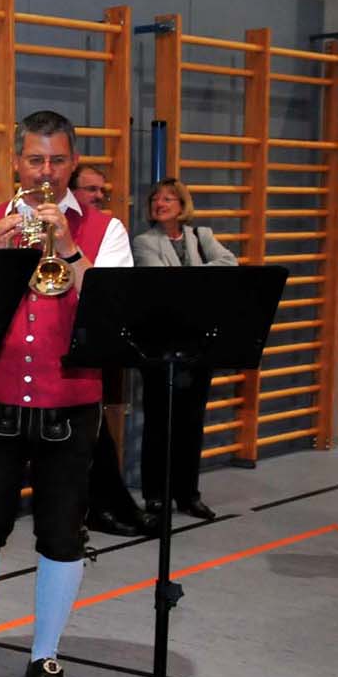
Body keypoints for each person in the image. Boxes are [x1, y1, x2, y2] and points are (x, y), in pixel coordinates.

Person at [0, 110, 132, 677]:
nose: (45, 173)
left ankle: (46, 652)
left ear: (72, 163)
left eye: (56, 161)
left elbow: (113, 316)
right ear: (15, 162)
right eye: (34, 161)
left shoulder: (108, 230)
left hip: (70, 405)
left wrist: (70, 247)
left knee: (61, 535)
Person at [132, 177, 236, 522]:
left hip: (197, 342)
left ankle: (188, 493)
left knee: (192, 421)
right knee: (159, 420)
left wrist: (195, 277)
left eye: (169, 198)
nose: (160, 204)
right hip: (159, 343)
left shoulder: (201, 236)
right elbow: (163, 281)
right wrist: (202, 281)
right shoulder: (145, 241)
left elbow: (229, 265)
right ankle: (155, 495)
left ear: (182, 205)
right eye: (156, 199)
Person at [66, 163, 152, 538]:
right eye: (91, 189)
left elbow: (111, 296)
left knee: (95, 435)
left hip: (95, 348)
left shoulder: (107, 231)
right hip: (60, 351)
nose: (99, 196)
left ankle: (111, 505)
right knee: (88, 441)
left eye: (102, 190)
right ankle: (102, 508)